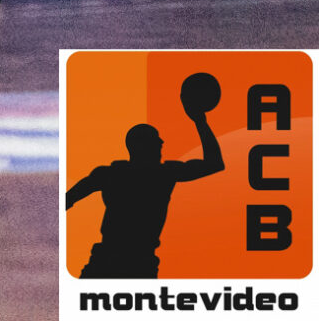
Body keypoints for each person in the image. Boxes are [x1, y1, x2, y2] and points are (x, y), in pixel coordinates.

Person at [67, 88, 226, 277]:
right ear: (142, 146)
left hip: (108, 262)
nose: (161, 142)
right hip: (137, 264)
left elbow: (68, 198)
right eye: (155, 139)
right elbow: (214, 163)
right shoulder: (164, 174)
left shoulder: (110, 174)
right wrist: (199, 121)